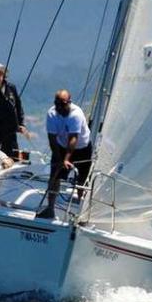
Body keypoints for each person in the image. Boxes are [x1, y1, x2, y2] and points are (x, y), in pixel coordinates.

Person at [36, 89, 92, 220]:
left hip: (81, 148)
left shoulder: (75, 114)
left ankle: (82, 212)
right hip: (61, 147)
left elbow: (73, 139)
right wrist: (60, 159)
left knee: (82, 180)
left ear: (69, 102)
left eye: (62, 103)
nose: (59, 107)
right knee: (54, 177)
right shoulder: (52, 114)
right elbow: (52, 138)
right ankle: (50, 209)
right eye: (57, 104)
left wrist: (66, 159)